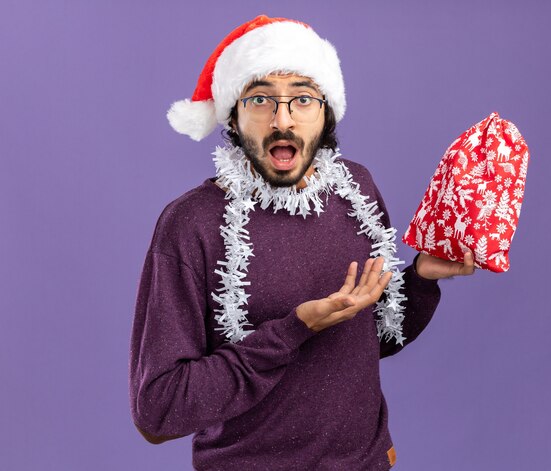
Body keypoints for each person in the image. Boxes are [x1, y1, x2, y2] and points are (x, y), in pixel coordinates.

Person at [128, 15, 475, 471]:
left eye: (302, 99)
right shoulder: (191, 224)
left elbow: (371, 342)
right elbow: (159, 411)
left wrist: (423, 279)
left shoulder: (357, 189)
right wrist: (294, 331)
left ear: (326, 111)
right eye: (260, 99)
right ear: (233, 113)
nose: (282, 120)